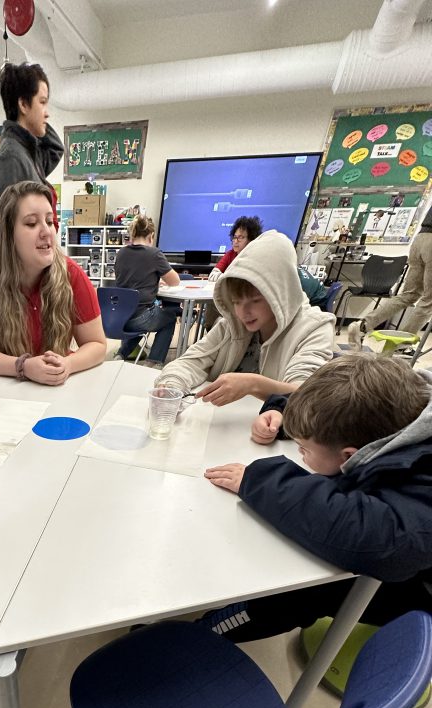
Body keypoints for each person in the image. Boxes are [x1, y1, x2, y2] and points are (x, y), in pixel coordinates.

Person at [202, 353, 432, 642]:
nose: (300, 453)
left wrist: (262, 481)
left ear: (351, 455)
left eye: (304, 448)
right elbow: (335, 409)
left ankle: (205, 634)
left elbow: (383, 540)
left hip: (420, 587)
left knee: (310, 587)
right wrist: (281, 413)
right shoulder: (402, 409)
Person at [154, 230, 335, 408]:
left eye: (255, 300)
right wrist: (171, 385)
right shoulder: (231, 325)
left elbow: (307, 396)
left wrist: (253, 384)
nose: (243, 312)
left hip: (276, 432)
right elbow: (191, 361)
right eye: (236, 302)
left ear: (280, 292)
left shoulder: (315, 327)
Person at [0, 181, 106, 384]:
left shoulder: (71, 274)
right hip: (5, 391)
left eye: (49, 221)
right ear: (8, 233)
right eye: (31, 223)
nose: (46, 231)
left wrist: (68, 364)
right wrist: (23, 366)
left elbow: (97, 344)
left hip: (57, 388)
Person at [0, 62, 64, 236]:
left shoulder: (27, 151)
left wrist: (34, 125)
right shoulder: (11, 158)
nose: (47, 113)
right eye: (42, 102)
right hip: (23, 262)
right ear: (24, 105)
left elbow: (55, 149)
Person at [347, 202, 432, 348]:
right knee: (429, 301)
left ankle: (363, 325)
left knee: (409, 294)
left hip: (420, 239)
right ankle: (401, 346)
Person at [112, 214, 182, 368]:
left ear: (133, 234)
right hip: (141, 316)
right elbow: (175, 281)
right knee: (169, 318)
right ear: (151, 236)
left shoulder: (121, 253)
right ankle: (154, 361)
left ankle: (121, 354)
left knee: (139, 321)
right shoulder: (154, 254)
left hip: (120, 315)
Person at [208, 215, 263, 281]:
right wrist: (231, 279)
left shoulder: (257, 257)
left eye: (240, 237)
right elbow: (212, 275)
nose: (235, 241)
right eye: (234, 237)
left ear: (251, 240)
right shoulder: (230, 254)